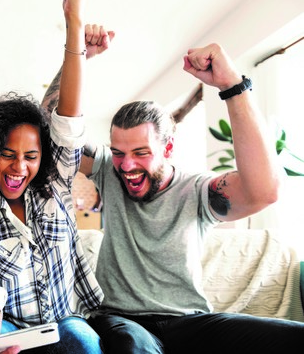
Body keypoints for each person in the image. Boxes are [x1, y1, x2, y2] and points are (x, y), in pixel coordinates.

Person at [47, 42, 304, 352]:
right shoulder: (106, 170)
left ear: (167, 149)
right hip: (123, 319)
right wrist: (76, 54)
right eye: (119, 153)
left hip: (191, 322)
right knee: (133, 346)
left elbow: (265, 190)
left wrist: (232, 85)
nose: (126, 166)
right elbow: (51, 127)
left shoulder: (198, 191)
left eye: (141, 153)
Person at [0, 0, 107, 353]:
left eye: (31, 156)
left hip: (66, 319)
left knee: (80, 341)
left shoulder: (55, 185)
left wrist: (75, 23)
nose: (19, 167)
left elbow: (68, 120)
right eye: (7, 154)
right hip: (10, 325)